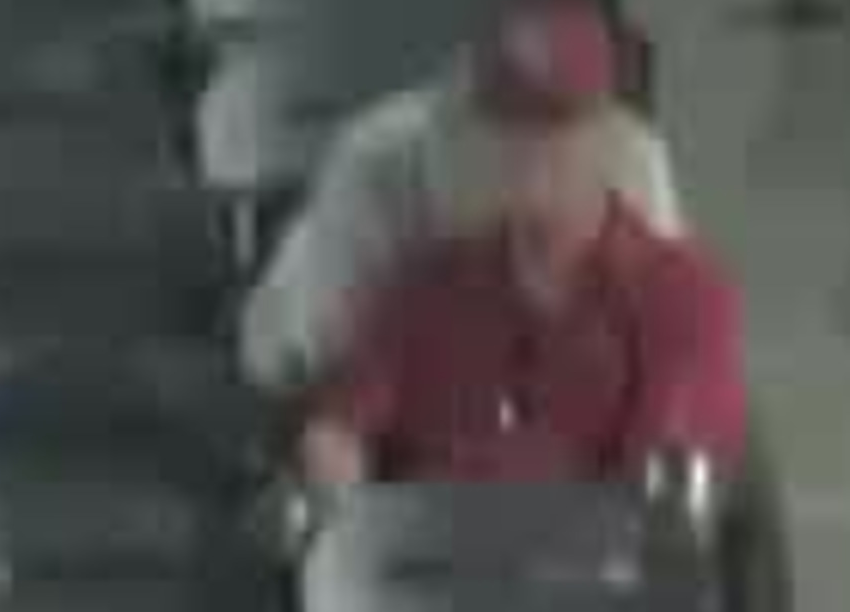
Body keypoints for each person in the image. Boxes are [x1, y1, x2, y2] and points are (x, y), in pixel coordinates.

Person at [239, 0, 693, 401]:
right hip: (305, 347)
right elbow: (333, 368)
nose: (537, 155)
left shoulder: (635, 161)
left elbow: (664, 354)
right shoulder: (375, 164)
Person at [297, 105, 750, 495]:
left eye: (554, 132)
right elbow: (345, 417)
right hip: (431, 564)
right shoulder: (426, 285)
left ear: (604, 149)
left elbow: (662, 479)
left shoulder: (683, 292)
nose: (527, 151)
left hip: (593, 570)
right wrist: (334, 450)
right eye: (509, 134)